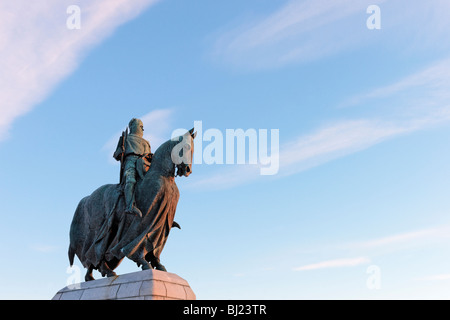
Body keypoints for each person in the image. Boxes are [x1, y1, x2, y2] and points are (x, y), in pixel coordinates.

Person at [113, 118, 152, 218]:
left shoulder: (146, 142)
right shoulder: (125, 138)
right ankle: (129, 206)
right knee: (130, 180)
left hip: (144, 163)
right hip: (130, 161)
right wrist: (120, 151)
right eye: (140, 126)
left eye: (143, 127)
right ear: (133, 126)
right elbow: (116, 155)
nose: (142, 129)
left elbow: (150, 156)